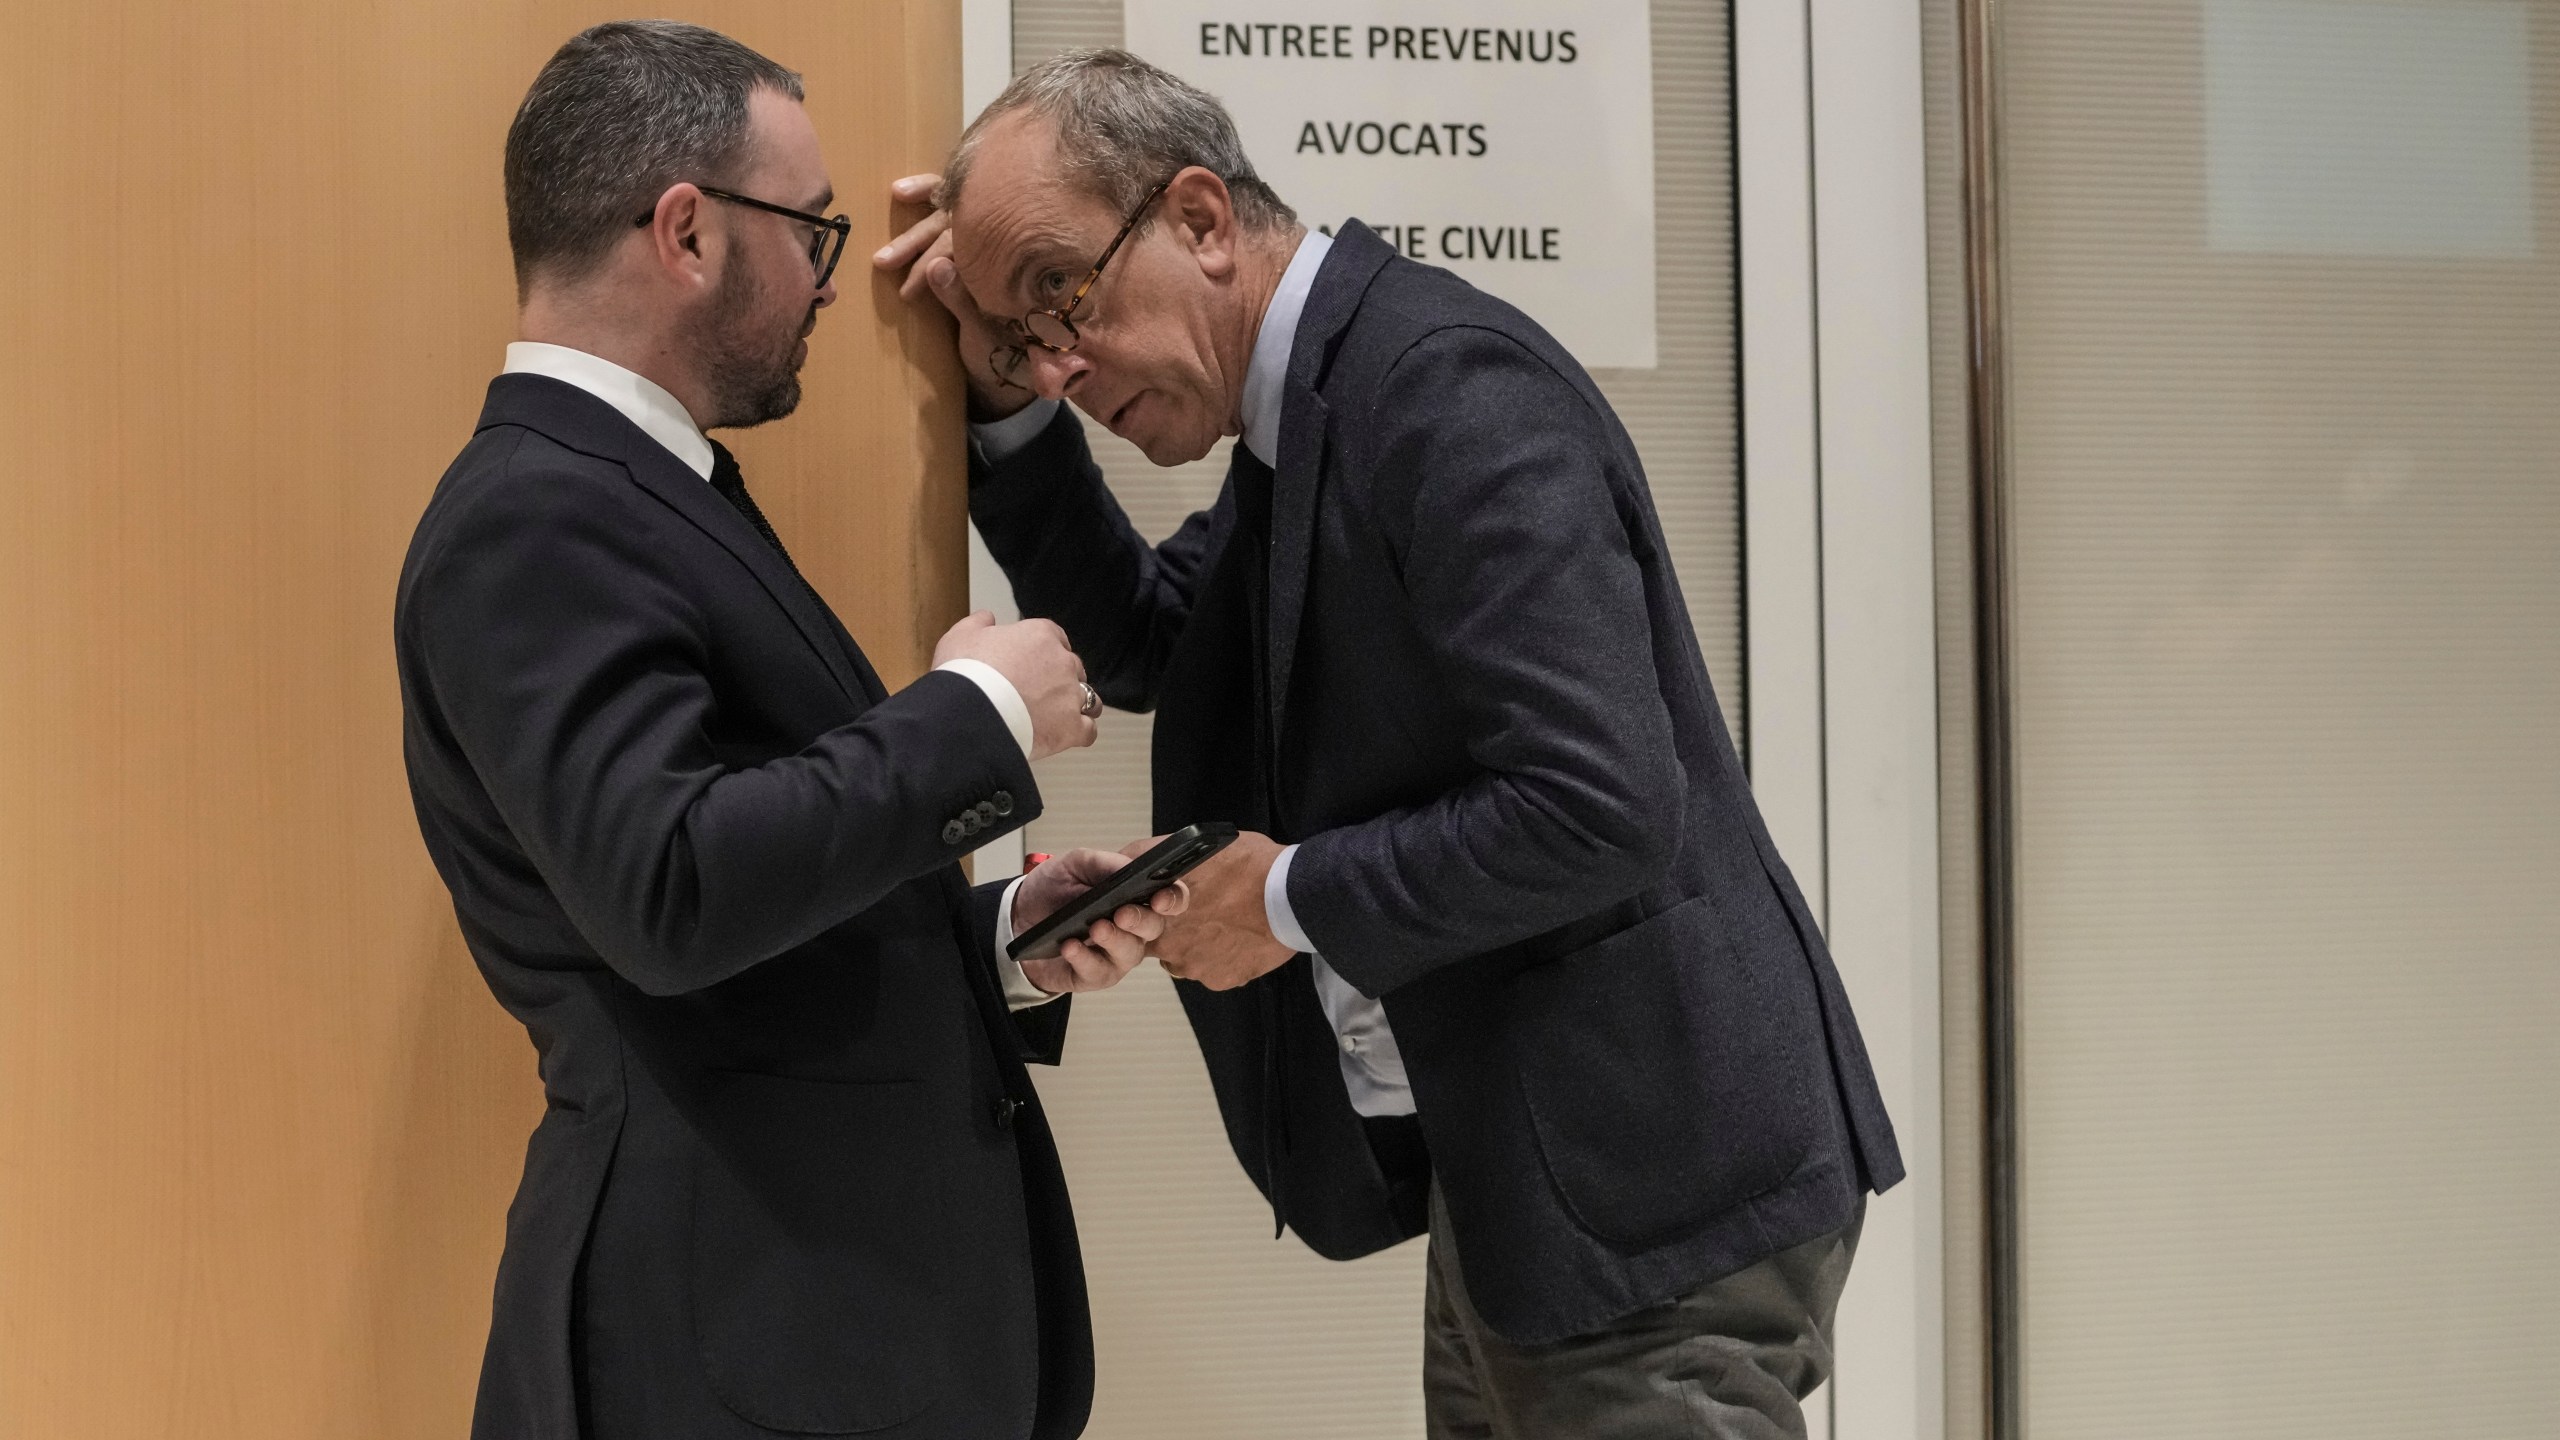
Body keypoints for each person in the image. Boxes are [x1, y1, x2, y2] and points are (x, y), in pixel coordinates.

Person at [876, 49, 1904, 1439]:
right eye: (1025, 335)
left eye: (1065, 296)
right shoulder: (1312, 405)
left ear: (1198, 217)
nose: (1063, 361)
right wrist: (996, 399)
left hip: (1655, 1192)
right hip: (1537, 1177)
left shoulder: (1443, 390)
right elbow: (1150, 637)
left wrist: (1286, 901)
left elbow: (1600, 802)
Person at [396, 23, 1172, 1440]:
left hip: (798, 1334)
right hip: (724, 1349)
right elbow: (669, 891)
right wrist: (980, 715)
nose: (830, 278)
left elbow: (739, 906)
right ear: (687, 232)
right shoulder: (536, 515)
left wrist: (990, 944)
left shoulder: (637, 491)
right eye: (809, 230)